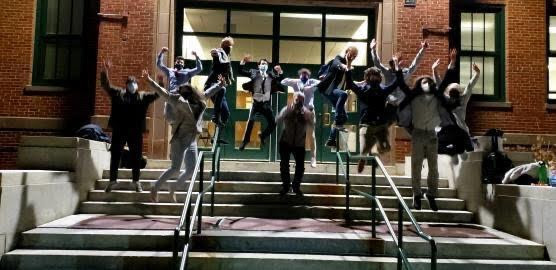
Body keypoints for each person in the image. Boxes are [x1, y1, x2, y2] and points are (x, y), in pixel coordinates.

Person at [395, 52, 456, 212]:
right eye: (423, 82)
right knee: (416, 166)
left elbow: (445, 82)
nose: (426, 84)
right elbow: (401, 84)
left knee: (433, 168)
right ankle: (416, 195)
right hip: (418, 134)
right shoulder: (413, 96)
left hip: (431, 135)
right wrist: (397, 68)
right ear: (418, 85)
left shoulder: (436, 97)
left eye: (428, 82)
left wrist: (451, 64)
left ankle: (431, 195)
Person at [143, 69, 209, 203]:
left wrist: (220, 85)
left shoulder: (200, 102)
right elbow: (164, 93)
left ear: (191, 92)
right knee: (175, 168)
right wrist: (150, 81)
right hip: (179, 138)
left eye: (184, 93)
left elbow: (210, 92)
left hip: (191, 139)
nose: (181, 95)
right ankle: (155, 188)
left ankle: (173, 186)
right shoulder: (178, 100)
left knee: (191, 169)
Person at [100, 60, 159, 193]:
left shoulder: (143, 96)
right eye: (130, 83)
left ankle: (136, 181)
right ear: (126, 85)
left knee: (136, 156)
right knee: (115, 155)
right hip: (119, 130)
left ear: (137, 85)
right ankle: (112, 180)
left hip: (135, 131)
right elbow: (106, 85)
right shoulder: (118, 93)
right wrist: (105, 71)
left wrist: (156, 82)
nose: (133, 85)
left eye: (134, 83)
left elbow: (157, 94)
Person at [345, 67, 399, 173]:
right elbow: (350, 84)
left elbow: (396, 83)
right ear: (368, 77)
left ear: (379, 77)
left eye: (376, 75)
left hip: (381, 125)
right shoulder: (363, 89)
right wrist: (348, 66)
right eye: (371, 75)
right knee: (364, 150)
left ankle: (376, 148)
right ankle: (363, 158)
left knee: (386, 148)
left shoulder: (383, 89)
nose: (374, 77)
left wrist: (398, 68)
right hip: (366, 124)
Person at [370, 39, 428, 124]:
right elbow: (377, 63)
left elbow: (415, 64)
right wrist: (373, 50)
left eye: (400, 61)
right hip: (390, 105)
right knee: (385, 125)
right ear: (392, 64)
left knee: (404, 125)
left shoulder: (405, 72)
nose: (400, 63)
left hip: (403, 105)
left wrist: (423, 49)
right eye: (397, 62)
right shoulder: (388, 72)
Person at [433, 51, 480, 157]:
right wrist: (435, 70)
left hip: (460, 133)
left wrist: (477, 74)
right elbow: (440, 84)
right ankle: (452, 150)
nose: (453, 99)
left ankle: (459, 149)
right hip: (448, 132)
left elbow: (469, 87)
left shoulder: (461, 101)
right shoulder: (448, 100)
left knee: (464, 145)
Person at [238, 56, 285, 151]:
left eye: (266, 64)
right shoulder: (253, 72)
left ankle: (263, 136)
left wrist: (280, 72)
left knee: (273, 123)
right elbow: (241, 71)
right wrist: (243, 62)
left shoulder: (271, 75)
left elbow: (281, 80)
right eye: (262, 63)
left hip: (266, 104)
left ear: (268, 66)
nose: (264, 65)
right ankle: (245, 141)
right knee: (250, 121)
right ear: (258, 65)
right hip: (256, 104)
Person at [317, 46, 358, 148]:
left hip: (335, 93)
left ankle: (331, 139)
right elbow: (336, 64)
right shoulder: (338, 58)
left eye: (354, 56)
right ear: (346, 52)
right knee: (343, 95)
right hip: (328, 88)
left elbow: (350, 82)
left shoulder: (349, 67)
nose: (352, 57)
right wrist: (344, 66)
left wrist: (361, 83)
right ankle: (338, 120)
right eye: (350, 54)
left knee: (345, 117)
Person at [276, 92, 315, 196]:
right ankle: (286, 186)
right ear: (293, 99)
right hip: (286, 141)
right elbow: (277, 120)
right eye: (297, 100)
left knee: (300, 167)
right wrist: (288, 114)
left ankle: (296, 187)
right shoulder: (286, 109)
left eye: (302, 100)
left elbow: (312, 124)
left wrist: (307, 116)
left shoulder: (306, 112)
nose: (299, 102)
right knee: (284, 165)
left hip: (299, 143)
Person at [281, 68, 320, 168]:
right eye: (302, 75)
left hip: (310, 111)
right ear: (299, 76)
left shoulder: (312, 81)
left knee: (311, 135)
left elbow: (321, 83)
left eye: (306, 74)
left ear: (309, 76)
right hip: (299, 113)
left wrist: (310, 86)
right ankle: (298, 160)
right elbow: (283, 81)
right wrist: (294, 81)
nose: (304, 76)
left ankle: (313, 158)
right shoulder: (296, 83)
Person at [157, 47, 202, 124]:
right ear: (175, 62)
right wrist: (161, 52)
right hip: (171, 95)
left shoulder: (187, 72)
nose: (179, 63)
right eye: (178, 62)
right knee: (169, 117)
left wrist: (196, 56)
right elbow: (159, 65)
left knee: (181, 117)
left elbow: (199, 68)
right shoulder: (170, 71)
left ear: (183, 64)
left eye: (181, 62)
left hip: (181, 97)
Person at [204, 37, 234, 128]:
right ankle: (215, 116)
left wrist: (229, 79)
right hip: (211, 85)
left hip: (220, 87)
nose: (230, 48)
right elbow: (214, 53)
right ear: (224, 46)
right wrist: (215, 52)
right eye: (228, 46)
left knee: (226, 113)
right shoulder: (220, 53)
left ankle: (219, 135)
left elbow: (228, 73)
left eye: (230, 46)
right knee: (222, 89)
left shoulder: (227, 59)